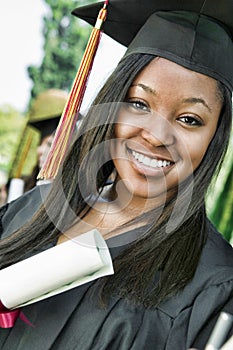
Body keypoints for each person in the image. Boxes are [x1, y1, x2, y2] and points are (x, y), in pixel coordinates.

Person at [0, 0, 233, 349]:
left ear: (214, 136)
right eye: (139, 104)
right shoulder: (33, 209)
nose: (155, 135)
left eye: (189, 119)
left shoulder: (215, 286)